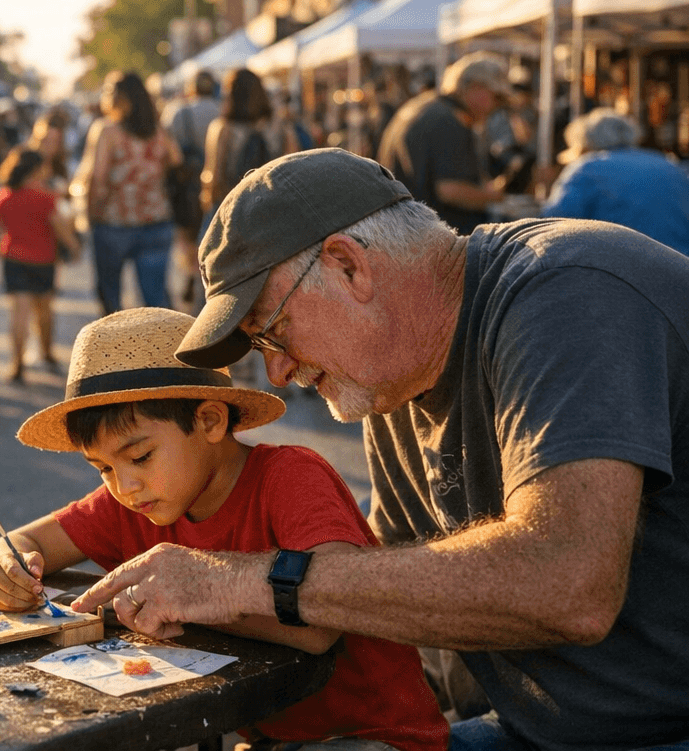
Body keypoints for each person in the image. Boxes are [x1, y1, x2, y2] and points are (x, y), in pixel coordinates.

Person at [74, 148, 689, 751]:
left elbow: (567, 584)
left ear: (348, 266)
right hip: (532, 727)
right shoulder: (390, 384)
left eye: (273, 333)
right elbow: (380, 589)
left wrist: (244, 580)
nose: (281, 372)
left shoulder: (568, 292)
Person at [0, 308, 447, 751]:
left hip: (374, 736)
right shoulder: (134, 501)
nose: (124, 486)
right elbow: (23, 542)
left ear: (210, 421)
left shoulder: (290, 478)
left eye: (140, 456)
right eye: (102, 468)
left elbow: (321, 623)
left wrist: (195, 599)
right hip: (268, 735)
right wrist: (7, 565)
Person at [77, 71, 180, 315]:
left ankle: (117, 350)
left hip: (114, 222)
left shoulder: (107, 131)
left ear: (121, 97)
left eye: (108, 91)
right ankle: (162, 350)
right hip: (157, 219)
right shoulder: (158, 130)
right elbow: (176, 162)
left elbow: (97, 178)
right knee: (156, 301)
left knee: (111, 298)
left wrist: (89, 217)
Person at [377, 52, 512, 234]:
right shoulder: (448, 119)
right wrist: (496, 197)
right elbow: (450, 190)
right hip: (424, 236)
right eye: (497, 97)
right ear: (475, 87)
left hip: (403, 230)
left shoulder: (424, 106)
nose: (497, 106)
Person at [0, 147, 80, 382]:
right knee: (44, 311)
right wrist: (74, 247)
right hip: (42, 259)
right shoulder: (47, 198)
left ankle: (17, 363)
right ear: (37, 170)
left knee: (19, 312)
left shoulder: (3, 196)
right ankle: (46, 353)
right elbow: (61, 228)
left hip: (13, 258)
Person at [543, 107, 689, 256]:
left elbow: (553, 223)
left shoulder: (587, 167)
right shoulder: (666, 163)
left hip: (627, 266)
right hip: (681, 264)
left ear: (585, 145)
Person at [162, 70, 221, 307]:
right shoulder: (222, 110)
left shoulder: (178, 111)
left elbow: (167, 148)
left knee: (187, 235)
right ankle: (208, 279)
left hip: (186, 182)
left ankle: (192, 274)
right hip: (217, 184)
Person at [200, 67, 275, 232]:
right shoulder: (279, 126)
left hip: (232, 212)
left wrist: (209, 202)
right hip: (271, 211)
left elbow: (214, 176)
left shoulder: (222, 128)